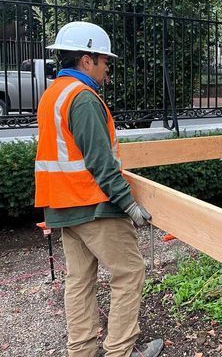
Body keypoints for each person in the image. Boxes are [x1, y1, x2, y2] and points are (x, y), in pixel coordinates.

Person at [34, 22, 164, 357]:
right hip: (92, 205)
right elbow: (99, 162)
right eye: (105, 60)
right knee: (130, 272)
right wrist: (129, 205)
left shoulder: (52, 95)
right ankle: (120, 351)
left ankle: (82, 352)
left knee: (79, 281)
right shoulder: (83, 99)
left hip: (63, 208)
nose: (108, 68)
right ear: (87, 59)